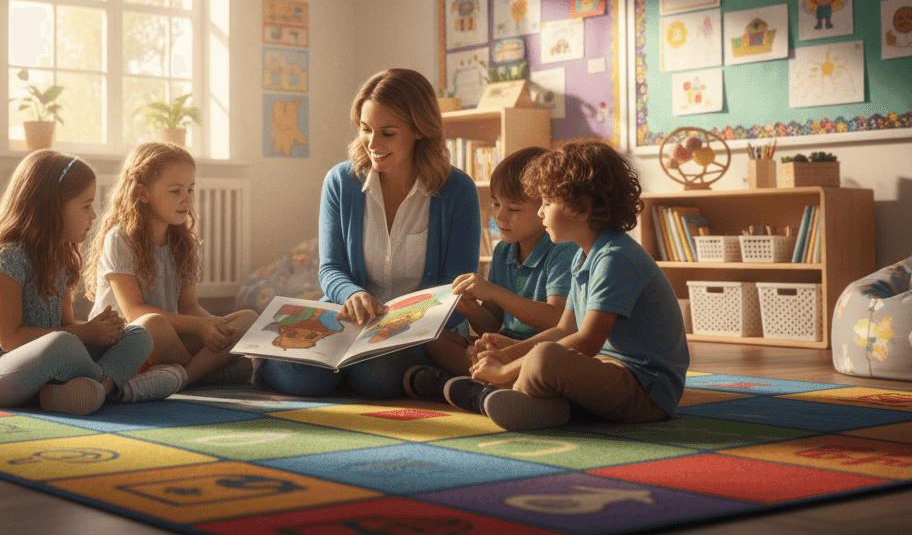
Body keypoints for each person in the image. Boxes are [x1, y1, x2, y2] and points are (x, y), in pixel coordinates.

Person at [426, 141, 689, 431]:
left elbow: (587, 341)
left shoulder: (615, 257)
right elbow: (565, 328)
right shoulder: (583, 255)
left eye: (547, 204)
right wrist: (509, 354)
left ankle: (492, 392)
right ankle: (532, 404)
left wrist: (504, 369)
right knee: (532, 352)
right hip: (606, 372)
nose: (541, 213)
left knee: (544, 357)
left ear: (580, 208)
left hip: (646, 390)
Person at [258, 67, 480, 398]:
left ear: (420, 130)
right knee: (297, 376)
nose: (373, 143)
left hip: (418, 329)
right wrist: (350, 294)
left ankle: (359, 373)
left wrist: (401, 326)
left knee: (378, 377)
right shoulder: (341, 181)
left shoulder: (457, 189)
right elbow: (330, 268)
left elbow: (455, 284)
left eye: (387, 133)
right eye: (365, 129)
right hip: (348, 320)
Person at [0, 150, 187, 416]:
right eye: (85, 206)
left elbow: (65, 326)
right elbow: (10, 339)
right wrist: (85, 334)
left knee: (138, 335)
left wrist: (100, 331)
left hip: (46, 369)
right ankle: (112, 388)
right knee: (62, 345)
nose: (94, 216)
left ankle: (91, 391)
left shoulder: (62, 257)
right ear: (50, 209)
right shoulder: (9, 257)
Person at [404, 146, 577, 400]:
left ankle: (481, 383)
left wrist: (495, 292)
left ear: (546, 208)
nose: (500, 217)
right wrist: (473, 309)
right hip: (504, 344)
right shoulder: (503, 252)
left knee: (542, 359)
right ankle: (494, 381)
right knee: (435, 340)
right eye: (496, 204)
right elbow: (492, 323)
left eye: (514, 209)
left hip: (541, 347)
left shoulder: (562, 250)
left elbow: (556, 320)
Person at [86, 142, 258, 386]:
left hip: (168, 341)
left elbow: (189, 307)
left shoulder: (184, 242)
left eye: (190, 189)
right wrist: (201, 327)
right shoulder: (120, 238)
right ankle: (203, 370)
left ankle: (183, 377)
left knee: (248, 318)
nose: (187, 199)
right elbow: (134, 313)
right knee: (153, 324)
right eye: (175, 191)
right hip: (125, 342)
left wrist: (214, 327)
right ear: (142, 193)